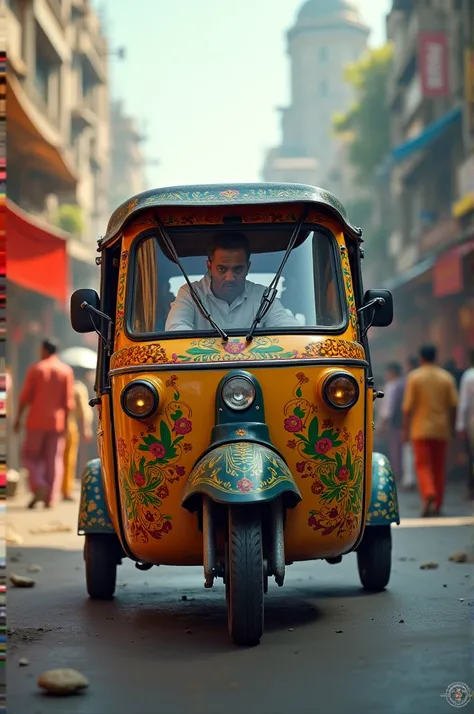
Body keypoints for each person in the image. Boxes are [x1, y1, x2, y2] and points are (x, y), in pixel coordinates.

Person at [165, 232, 300, 332]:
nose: (230, 277)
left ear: (248, 268)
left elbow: (290, 330)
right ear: (209, 266)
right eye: (222, 269)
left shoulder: (263, 297)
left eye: (238, 269)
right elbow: (175, 330)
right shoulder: (190, 294)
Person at [14, 338, 75, 509]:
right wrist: (67, 423)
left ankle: (38, 484)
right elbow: (68, 403)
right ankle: (49, 498)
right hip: (57, 422)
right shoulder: (66, 371)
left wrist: (18, 419)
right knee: (53, 459)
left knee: (29, 456)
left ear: (44, 350)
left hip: (35, 421)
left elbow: (25, 398)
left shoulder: (36, 369)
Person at [402, 345, 458, 517]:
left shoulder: (415, 377)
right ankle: (438, 504)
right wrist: (452, 426)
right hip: (441, 429)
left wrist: (405, 430)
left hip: (420, 429)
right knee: (439, 467)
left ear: (421, 358)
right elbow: (454, 405)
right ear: (436, 357)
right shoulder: (446, 378)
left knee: (423, 465)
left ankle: (428, 493)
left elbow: (407, 408)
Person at [62, 369, 93, 502]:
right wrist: (86, 428)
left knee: (54, 459)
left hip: (55, 425)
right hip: (70, 426)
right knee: (69, 459)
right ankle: (66, 490)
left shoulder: (61, 385)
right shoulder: (79, 388)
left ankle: (51, 488)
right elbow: (84, 411)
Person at [377, 362, 404, 484]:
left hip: (394, 423)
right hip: (404, 423)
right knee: (403, 451)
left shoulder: (392, 386)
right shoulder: (404, 383)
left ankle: (396, 475)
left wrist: (381, 425)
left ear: (392, 372)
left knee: (395, 450)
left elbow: (387, 410)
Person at [456, 350, 474, 499]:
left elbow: (464, 403)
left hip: (472, 421)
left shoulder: (469, 376)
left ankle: (471, 487)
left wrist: (460, 425)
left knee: (472, 456)